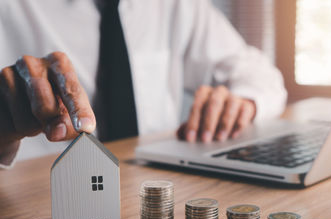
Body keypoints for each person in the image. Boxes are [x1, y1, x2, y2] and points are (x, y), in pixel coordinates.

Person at [0, 0, 287, 169]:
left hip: (153, 185)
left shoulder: (178, 5)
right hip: (35, 203)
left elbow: (262, 75)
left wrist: (244, 102)